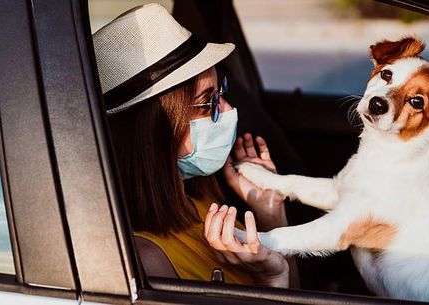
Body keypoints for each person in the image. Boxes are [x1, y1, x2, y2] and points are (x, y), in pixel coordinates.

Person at [92, 3, 297, 288]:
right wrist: (272, 278)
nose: (226, 109)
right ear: (156, 130)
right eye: (208, 101)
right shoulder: (149, 261)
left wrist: (270, 213)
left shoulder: (197, 203)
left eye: (221, 92)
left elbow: (298, 290)